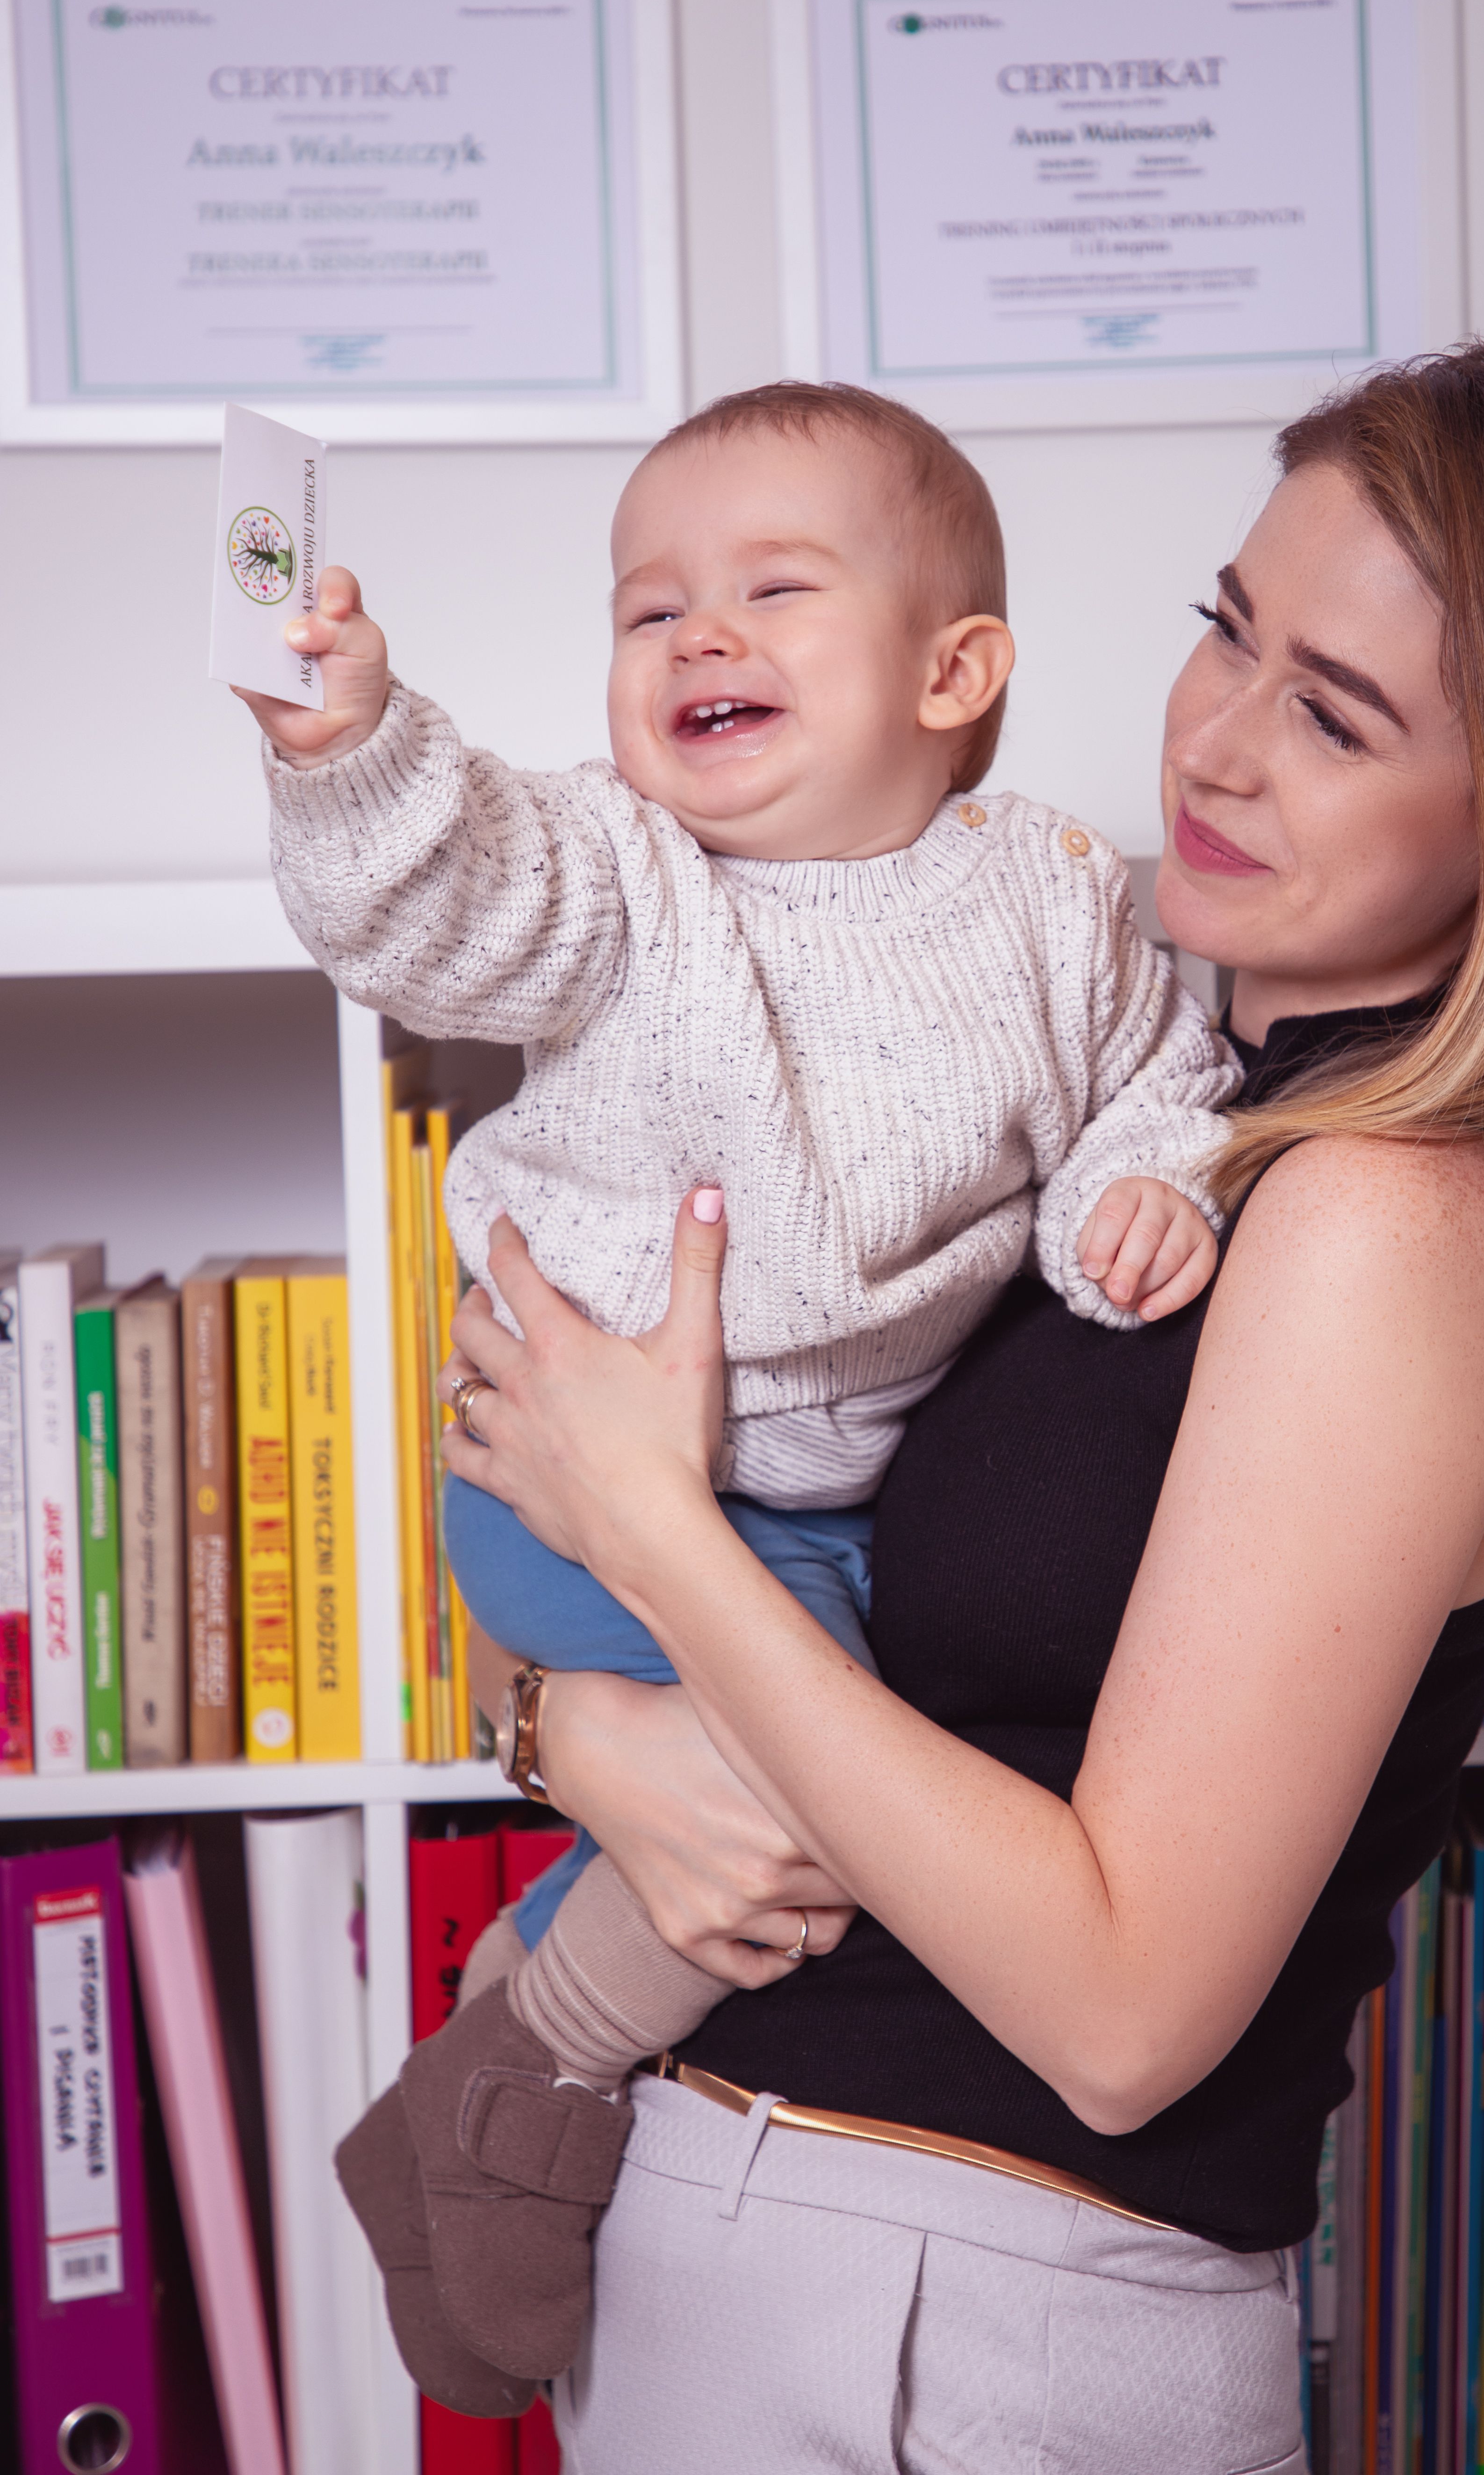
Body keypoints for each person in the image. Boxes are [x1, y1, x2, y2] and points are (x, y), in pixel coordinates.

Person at [432, 326, 1484, 2472]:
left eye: (1334, 713)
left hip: (947, 2329)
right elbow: (833, 1638)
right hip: (807, 2270)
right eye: (1227, 627)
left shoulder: (1387, 1221)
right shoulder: (1153, 1120)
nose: (1215, 741)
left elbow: (1118, 2013)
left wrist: (648, 1528)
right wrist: (560, 1720)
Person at [240, 384, 1238, 2403]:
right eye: (652, 608)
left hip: (818, 1507)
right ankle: (529, 2080)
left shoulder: (1050, 894)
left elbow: (1157, 1081)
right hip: (575, 1479)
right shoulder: (622, 876)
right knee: (838, 1797)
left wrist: (1144, 1191)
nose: (701, 632)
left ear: (952, 673)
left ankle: (516, 1992)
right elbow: (449, 902)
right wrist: (355, 753)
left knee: (846, 1786)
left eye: (776, 590)